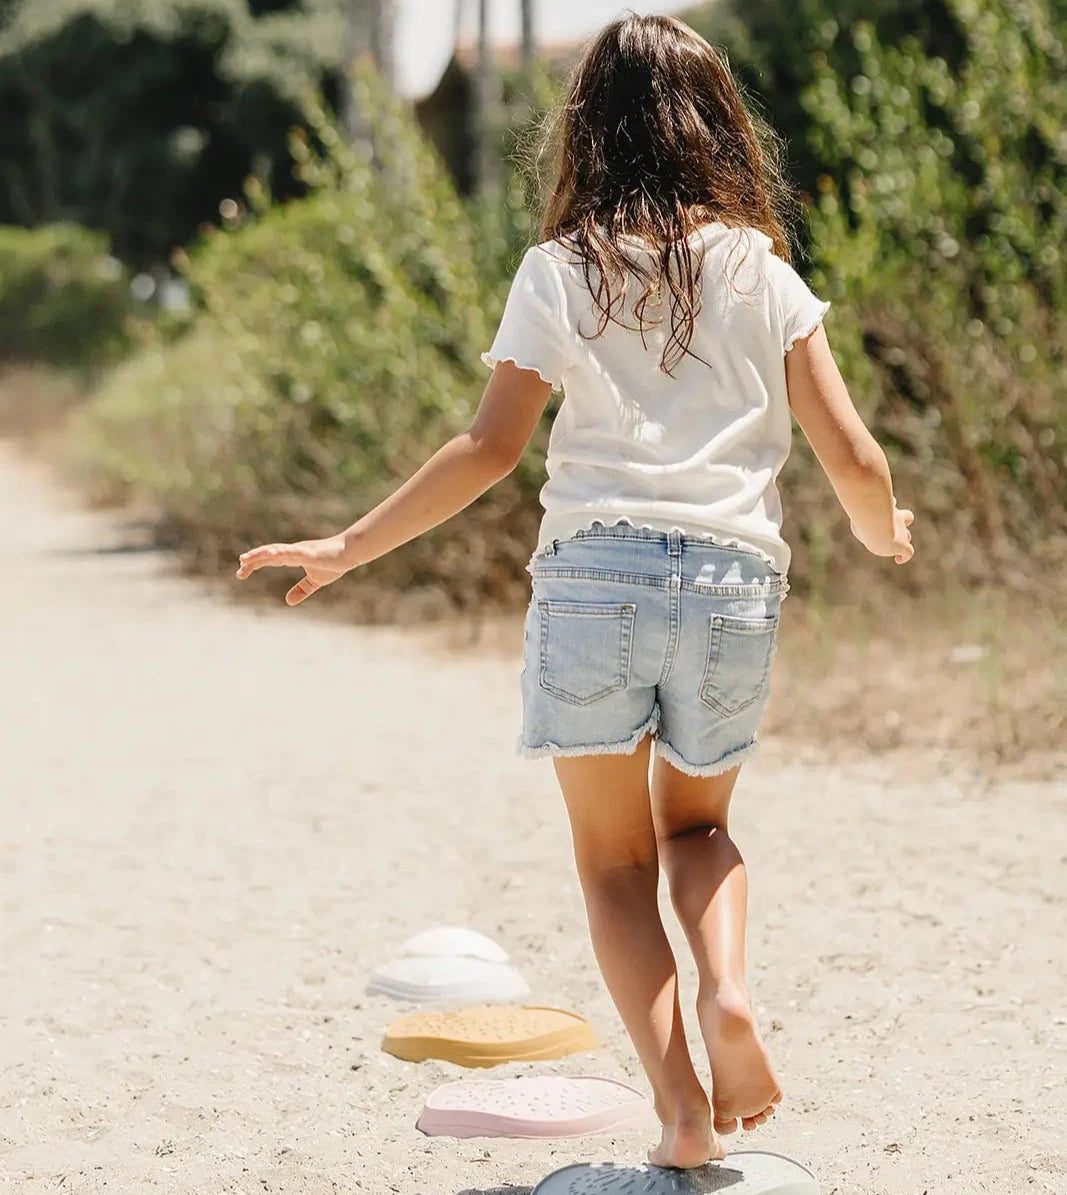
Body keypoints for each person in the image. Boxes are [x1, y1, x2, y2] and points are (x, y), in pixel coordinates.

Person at [236, 13, 914, 1170]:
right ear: (718, 128)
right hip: (730, 578)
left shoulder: (559, 270)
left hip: (596, 576)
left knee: (612, 866)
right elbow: (848, 450)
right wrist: (879, 530)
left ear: (585, 132)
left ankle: (681, 1111)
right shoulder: (760, 267)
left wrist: (351, 543)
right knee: (699, 827)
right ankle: (730, 990)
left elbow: (488, 448)